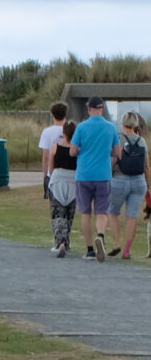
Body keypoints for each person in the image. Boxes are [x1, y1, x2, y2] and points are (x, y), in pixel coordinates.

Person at [72, 96, 117, 260]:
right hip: (103, 174)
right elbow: (117, 152)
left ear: (89, 109)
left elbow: (73, 150)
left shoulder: (81, 127)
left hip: (84, 174)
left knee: (85, 212)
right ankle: (101, 236)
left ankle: (90, 248)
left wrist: (81, 151)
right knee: (102, 210)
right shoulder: (110, 127)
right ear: (102, 109)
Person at [110, 110, 147, 261]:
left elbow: (113, 160)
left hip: (119, 179)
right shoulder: (142, 141)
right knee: (132, 217)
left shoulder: (118, 138)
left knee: (112, 212)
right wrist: (148, 185)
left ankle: (116, 243)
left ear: (123, 123)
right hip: (138, 181)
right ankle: (126, 250)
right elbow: (147, 166)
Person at [47, 119, 78, 256]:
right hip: (73, 180)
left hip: (58, 179)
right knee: (69, 213)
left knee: (57, 214)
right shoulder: (77, 149)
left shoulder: (55, 147)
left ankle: (60, 242)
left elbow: (51, 167)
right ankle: (66, 241)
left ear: (63, 132)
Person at [38, 104, 67, 201]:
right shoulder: (71, 130)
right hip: (69, 172)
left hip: (53, 172)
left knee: (55, 204)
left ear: (53, 115)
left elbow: (45, 156)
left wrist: (45, 175)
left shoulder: (47, 132)